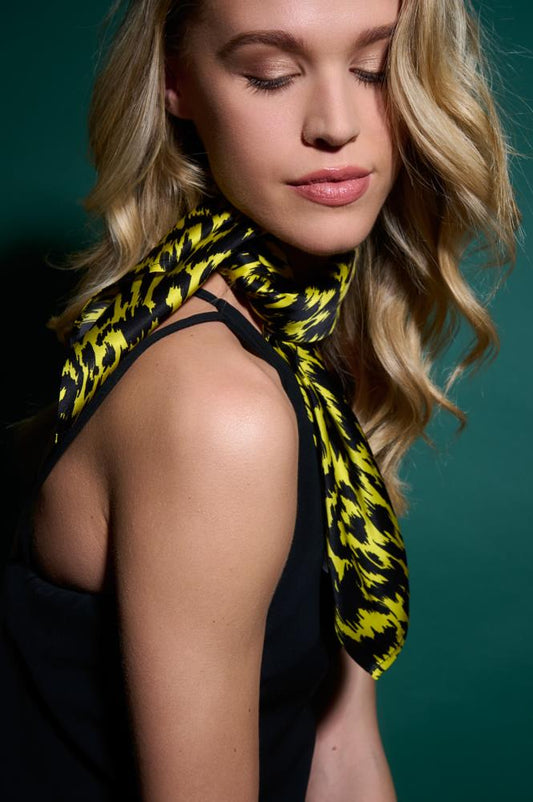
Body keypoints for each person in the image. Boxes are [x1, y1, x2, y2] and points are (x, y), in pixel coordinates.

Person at [0, 0, 518, 800]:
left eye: (374, 69)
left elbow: (337, 747)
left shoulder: (299, 344)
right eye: (269, 75)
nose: (335, 123)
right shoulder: (215, 408)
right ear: (178, 84)